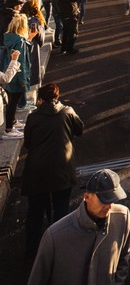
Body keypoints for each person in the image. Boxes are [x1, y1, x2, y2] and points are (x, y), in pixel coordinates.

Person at [28, 169, 130, 285]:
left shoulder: (123, 217)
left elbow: (124, 255)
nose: (109, 206)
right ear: (86, 197)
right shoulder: (54, 235)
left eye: (112, 200)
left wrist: (118, 281)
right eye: (104, 200)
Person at [21, 83, 84, 259]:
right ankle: (61, 249)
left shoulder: (33, 117)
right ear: (57, 96)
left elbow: (28, 143)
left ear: (40, 99)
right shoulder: (68, 111)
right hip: (62, 169)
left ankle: (32, 251)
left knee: (35, 211)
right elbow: (80, 129)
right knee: (61, 209)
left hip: (37, 171)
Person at [3, 15, 34, 137]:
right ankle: (9, 129)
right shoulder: (20, 41)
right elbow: (22, 62)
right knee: (13, 103)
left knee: (11, 101)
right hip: (17, 75)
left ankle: (13, 121)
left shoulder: (9, 37)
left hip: (8, 71)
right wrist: (24, 81)